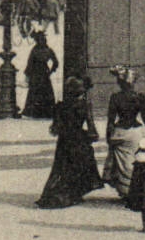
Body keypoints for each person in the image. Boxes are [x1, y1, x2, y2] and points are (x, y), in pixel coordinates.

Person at [35, 76, 105, 208]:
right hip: (79, 138)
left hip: (64, 139)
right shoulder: (84, 105)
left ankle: (57, 194)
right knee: (81, 165)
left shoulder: (60, 106)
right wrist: (93, 136)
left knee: (61, 166)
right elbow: (91, 127)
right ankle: (75, 193)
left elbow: (55, 128)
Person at [104, 66, 145, 198]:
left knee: (122, 163)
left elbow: (110, 120)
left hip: (120, 132)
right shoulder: (139, 97)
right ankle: (136, 189)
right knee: (136, 161)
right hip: (136, 133)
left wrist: (108, 137)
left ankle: (124, 190)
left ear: (120, 83)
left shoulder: (115, 97)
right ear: (133, 83)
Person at [21, 30, 59, 119]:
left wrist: (27, 76)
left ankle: (34, 112)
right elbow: (56, 62)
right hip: (45, 74)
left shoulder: (34, 51)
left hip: (35, 74)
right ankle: (47, 112)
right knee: (46, 93)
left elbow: (30, 64)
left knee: (34, 93)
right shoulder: (48, 50)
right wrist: (51, 71)